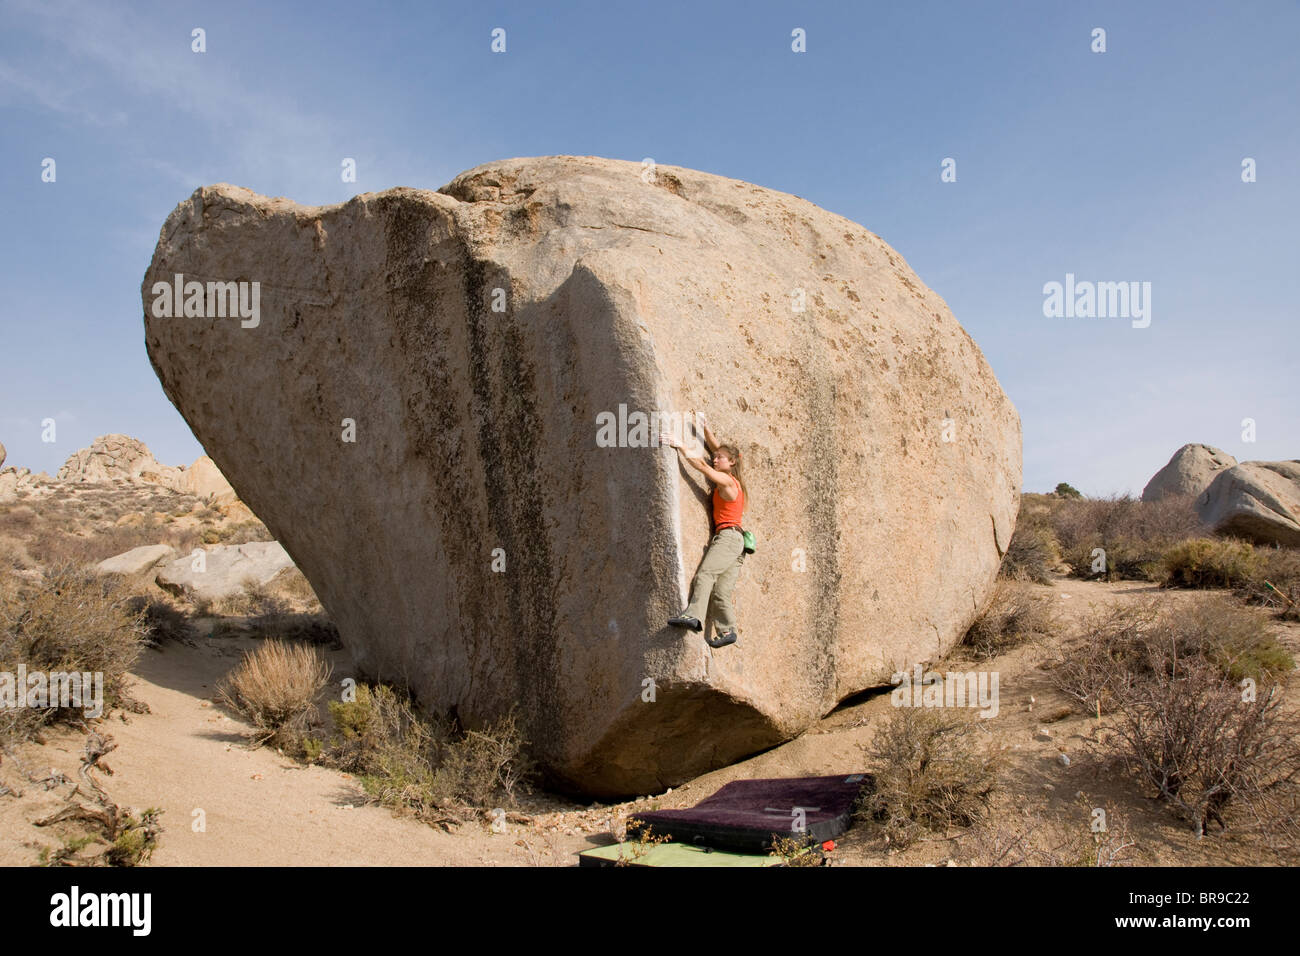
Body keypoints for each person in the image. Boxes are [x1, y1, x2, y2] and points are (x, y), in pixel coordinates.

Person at [659, 410, 748, 648]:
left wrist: (681, 446)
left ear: (731, 463)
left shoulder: (728, 481)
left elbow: (702, 467)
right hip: (738, 544)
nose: (714, 459)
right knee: (720, 591)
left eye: (719, 458)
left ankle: (693, 615)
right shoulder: (735, 477)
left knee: (705, 575)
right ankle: (728, 629)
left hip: (728, 538)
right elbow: (718, 449)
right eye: (715, 456)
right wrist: (705, 430)